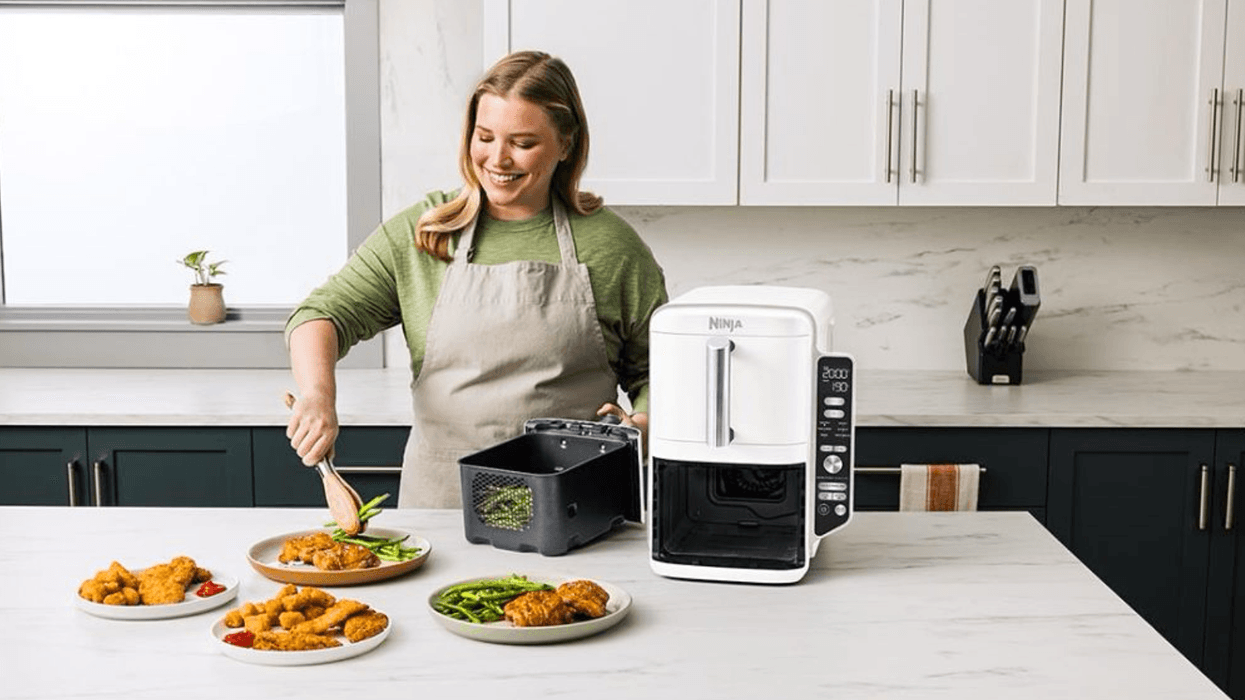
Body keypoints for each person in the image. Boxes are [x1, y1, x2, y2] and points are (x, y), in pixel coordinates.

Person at [283, 50, 668, 508]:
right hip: (444, 509)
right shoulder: (426, 234)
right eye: (484, 137)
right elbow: (321, 314)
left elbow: (665, 372)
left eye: (523, 143)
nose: (498, 159)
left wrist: (643, 424)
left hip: (576, 507)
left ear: (566, 144)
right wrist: (318, 395)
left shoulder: (611, 246)